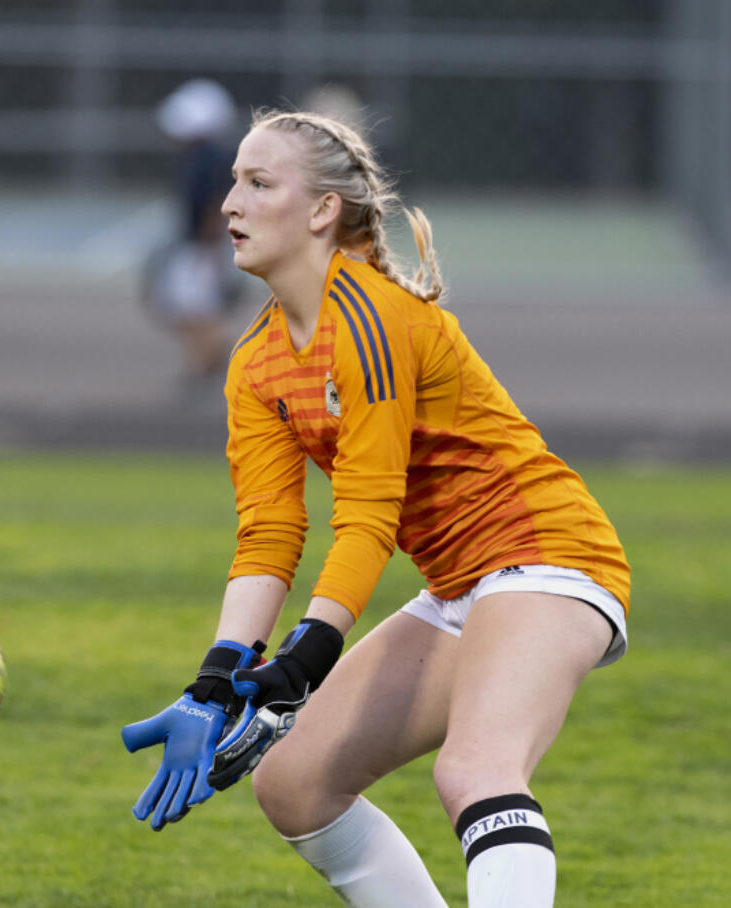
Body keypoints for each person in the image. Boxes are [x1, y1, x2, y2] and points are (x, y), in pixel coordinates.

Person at [122, 108, 631, 908]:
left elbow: (367, 518)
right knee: (292, 786)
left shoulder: (370, 316)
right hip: (461, 586)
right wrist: (214, 681)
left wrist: (299, 666)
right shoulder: (254, 361)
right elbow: (269, 535)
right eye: (231, 183)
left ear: (323, 209)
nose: (229, 204)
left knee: (474, 770)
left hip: (550, 556)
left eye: (258, 183)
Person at [143, 79, 244, 380]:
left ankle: (207, 358)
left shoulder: (208, 160)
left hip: (201, 246)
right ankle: (203, 359)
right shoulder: (208, 157)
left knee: (194, 307)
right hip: (201, 244)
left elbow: (214, 206)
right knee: (190, 307)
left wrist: (211, 250)